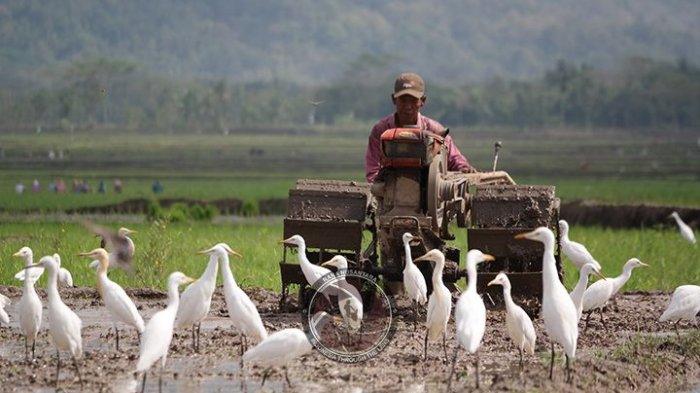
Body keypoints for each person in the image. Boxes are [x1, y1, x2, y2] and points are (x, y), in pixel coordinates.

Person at [365, 72, 476, 183]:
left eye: (413, 101)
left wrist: (464, 168)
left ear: (422, 101)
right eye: (403, 100)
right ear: (394, 100)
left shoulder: (435, 130)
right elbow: (373, 171)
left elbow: (454, 159)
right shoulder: (381, 130)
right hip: (389, 191)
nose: (408, 107)